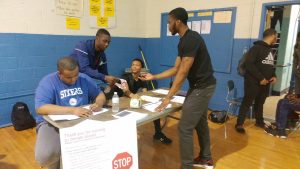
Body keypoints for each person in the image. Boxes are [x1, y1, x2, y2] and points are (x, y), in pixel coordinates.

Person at [140, 7, 216, 169]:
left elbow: (182, 72)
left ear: (178, 22)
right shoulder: (184, 41)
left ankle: (187, 166)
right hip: (200, 86)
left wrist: (167, 98)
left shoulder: (191, 39)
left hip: (202, 87)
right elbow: (175, 69)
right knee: (200, 123)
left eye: (169, 22)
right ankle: (206, 159)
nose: (168, 26)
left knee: (184, 127)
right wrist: (154, 76)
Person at [34, 56, 106, 169]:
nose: (73, 80)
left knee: (100, 142)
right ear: (60, 74)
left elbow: (99, 94)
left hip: (82, 119)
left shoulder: (84, 78)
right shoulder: (48, 82)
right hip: (52, 123)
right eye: (68, 77)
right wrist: (72, 110)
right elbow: (40, 108)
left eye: (76, 75)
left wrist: (98, 103)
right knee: (45, 155)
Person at [111, 58, 172, 144]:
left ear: (141, 68)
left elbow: (145, 92)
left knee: (156, 109)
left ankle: (158, 133)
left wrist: (150, 99)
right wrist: (135, 96)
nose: (134, 67)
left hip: (131, 101)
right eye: (133, 65)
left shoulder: (141, 79)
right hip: (118, 102)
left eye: (137, 65)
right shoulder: (125, 77)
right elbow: (126, 92)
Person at [235, 28, 278, 133]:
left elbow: (270, 66)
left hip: (265, 83)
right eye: (276, 36)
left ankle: (259, 121)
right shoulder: (256, 48)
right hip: (253, 82)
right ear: (272, 35)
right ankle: (239, 124)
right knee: (247, 102)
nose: (276, 39)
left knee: (260, 102)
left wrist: (274, 75)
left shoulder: (269, 50)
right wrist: (261, 78)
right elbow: (249, 64)